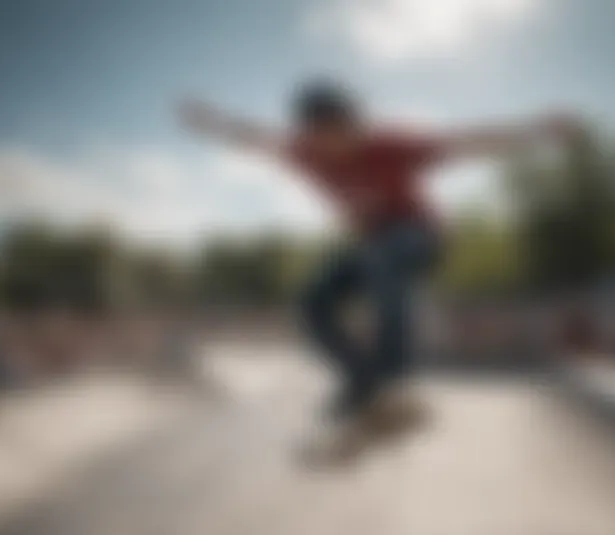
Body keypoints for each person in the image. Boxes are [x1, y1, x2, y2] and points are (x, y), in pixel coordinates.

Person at [178, 80, 581, 422]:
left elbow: (466, 142)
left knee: (383, 258)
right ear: (311, 134)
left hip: (420, 238)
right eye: (323, 136)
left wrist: (537, 131)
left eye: (342, 132)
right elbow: (255, 138)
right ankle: (362, 380)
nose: (336, 145)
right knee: (313, 301)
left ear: (355, 123)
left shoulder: (391, 146)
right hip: (372, 247)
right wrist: (211, 122)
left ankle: (395, 381)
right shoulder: (306, 152)